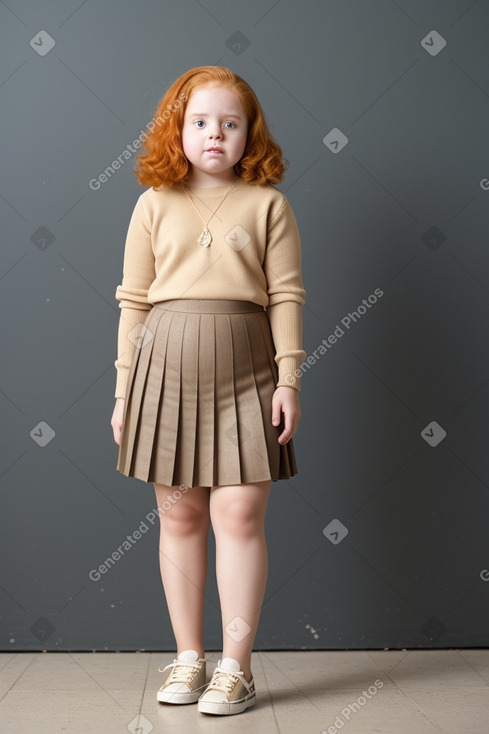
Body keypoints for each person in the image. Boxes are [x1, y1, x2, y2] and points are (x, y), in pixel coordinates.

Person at [110, 65, 306, 717]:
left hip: (248, 372)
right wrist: (122, 392)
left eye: (230, 122)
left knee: (238, 516)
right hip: (161, 373)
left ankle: (236, 669)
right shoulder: (152, 203)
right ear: (177, 129)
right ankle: (189, 659)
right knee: (179, 515)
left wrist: (288, 378)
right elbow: (133, 302)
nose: (214, 133)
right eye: (199, 121)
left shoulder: (269, 204)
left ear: (249, 133)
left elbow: (285, 295)